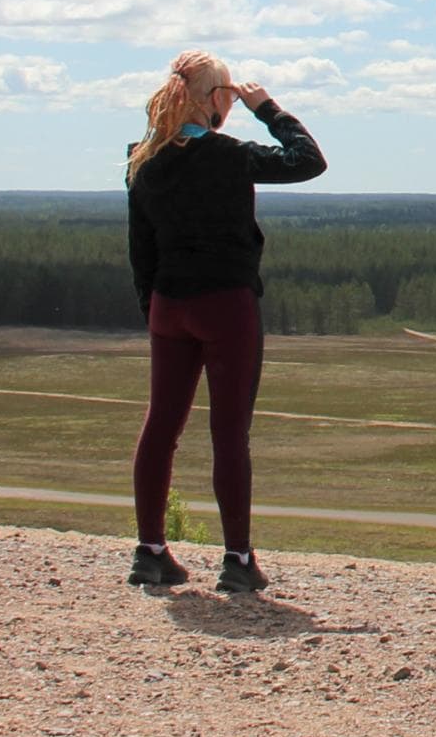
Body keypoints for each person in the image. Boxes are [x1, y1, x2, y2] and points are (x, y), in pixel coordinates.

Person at [123, 49, 326, 592]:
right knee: (228, 434)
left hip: (170, 305)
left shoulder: (143, 158)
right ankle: (236, 561)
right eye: (230, 96)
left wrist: (155, 308)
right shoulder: (231, 155)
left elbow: (139, 247)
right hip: (226, 305)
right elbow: (308, 161)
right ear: (216, 99)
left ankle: (150, 552)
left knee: (160, 427)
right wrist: (268, 108)